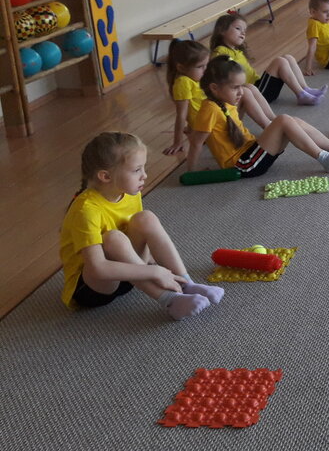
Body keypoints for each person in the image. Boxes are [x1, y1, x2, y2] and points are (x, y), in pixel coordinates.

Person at [60, 132, 223, 320]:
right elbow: (98, 268)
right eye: (137, 170)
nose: (144, 175)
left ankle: (186, 284)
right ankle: (170, 300)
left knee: (146, 218)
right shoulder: (86, 210)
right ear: (105, 176)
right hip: (93, 290)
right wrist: (154, 271)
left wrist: (153, 264)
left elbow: (139, 233)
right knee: (113, 238)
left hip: (131, 275)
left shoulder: (130, 193)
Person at [187, 55, 329, 177]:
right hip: (244, 164)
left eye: (240, 86)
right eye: (235, 88)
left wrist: (245, 91)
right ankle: (323, 158)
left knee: (292, 120)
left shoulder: (225, 101)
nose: (240, 91)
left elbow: (230, 122)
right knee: (283, 120)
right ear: (214, 88)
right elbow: (196, 143)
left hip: (251, 152)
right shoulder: (209, 109)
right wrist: (192, 172)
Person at [162, 39, 275, 156]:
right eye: (200, 67)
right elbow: (181, 114)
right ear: (181, 68)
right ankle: (268, 126)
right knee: (245, 92)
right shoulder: (183, 82)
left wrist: (190, 128)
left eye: (206, 65)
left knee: (249, 87)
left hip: (213, 119)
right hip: (209, 128)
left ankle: (271, 120)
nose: (205, 69)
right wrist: (178, 142)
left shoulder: (194, 78)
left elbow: (195, 106)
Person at [209, 13, 325, 106]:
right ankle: (301, 95)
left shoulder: (237, 51)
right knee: (279, 61)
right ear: (222, 30)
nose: (243, 33)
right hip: (254, 93)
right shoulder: (220, 51)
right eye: (238, 28)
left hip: (259, 87)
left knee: (287, 57)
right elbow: (220, 75)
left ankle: (305, 89)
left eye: (244, 30)